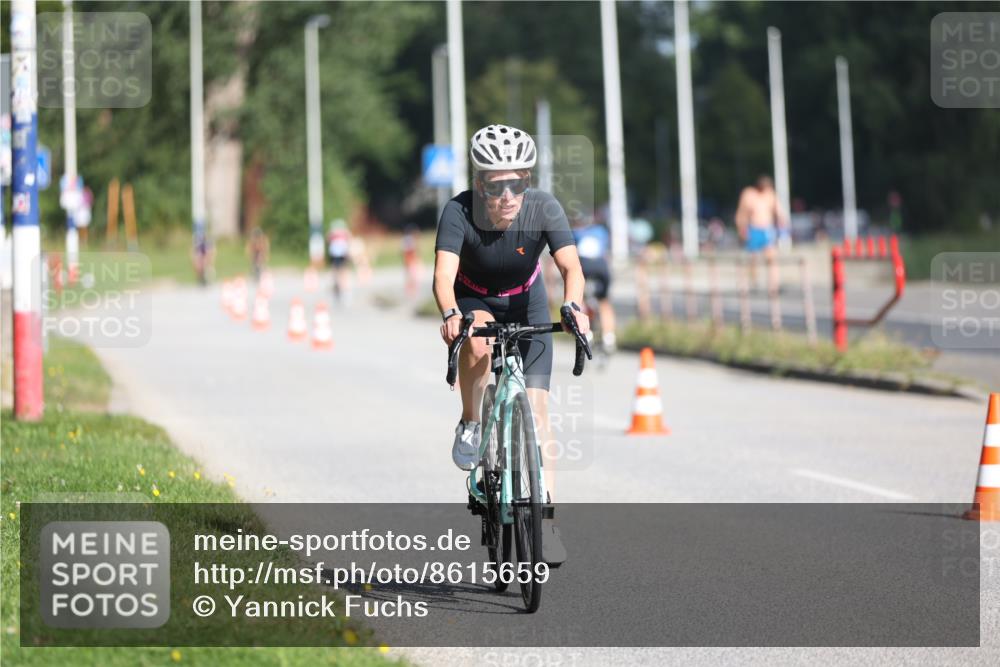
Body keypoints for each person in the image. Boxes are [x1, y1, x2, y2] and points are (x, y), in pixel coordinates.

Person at [433, 124, 589, 565]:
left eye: (517, 183)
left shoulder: (543, 208)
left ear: (528, 181)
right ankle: (470, 421)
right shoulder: (458, 211)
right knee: (478, 343)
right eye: (495, 185)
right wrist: (450, 313)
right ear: (479, 183)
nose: (507, 195)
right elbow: (443, 277)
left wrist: (574, 306)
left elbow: (571, 268)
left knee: (538, 413)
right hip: (475, 301)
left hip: (528, 303)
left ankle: (545, 522)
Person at [571, 213, 616, 352]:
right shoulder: (601, 231)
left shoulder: (575, 232)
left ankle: (587, 332)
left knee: (580, 299)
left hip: (584, 265)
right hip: (601, 266)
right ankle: (609, 337)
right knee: (604, 301)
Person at [735, 175, 787, 292]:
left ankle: (774, 284)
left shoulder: (770, 195)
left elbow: (779, 211)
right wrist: (741, 228)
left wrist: (782, 224)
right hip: (753, 229)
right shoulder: (749, 195)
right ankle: (753, 281)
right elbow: (742, 213)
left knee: (771, 257)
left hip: (767, 229)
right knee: (753, 258)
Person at [327, 219, 352, 302]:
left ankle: (337, 285)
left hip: (335, 253)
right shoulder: (344, 232)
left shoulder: (332, 232)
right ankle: (342, 286)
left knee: (336, 269)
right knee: (342, 270)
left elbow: (328, 240)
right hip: (341, 253)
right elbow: (349, 240)